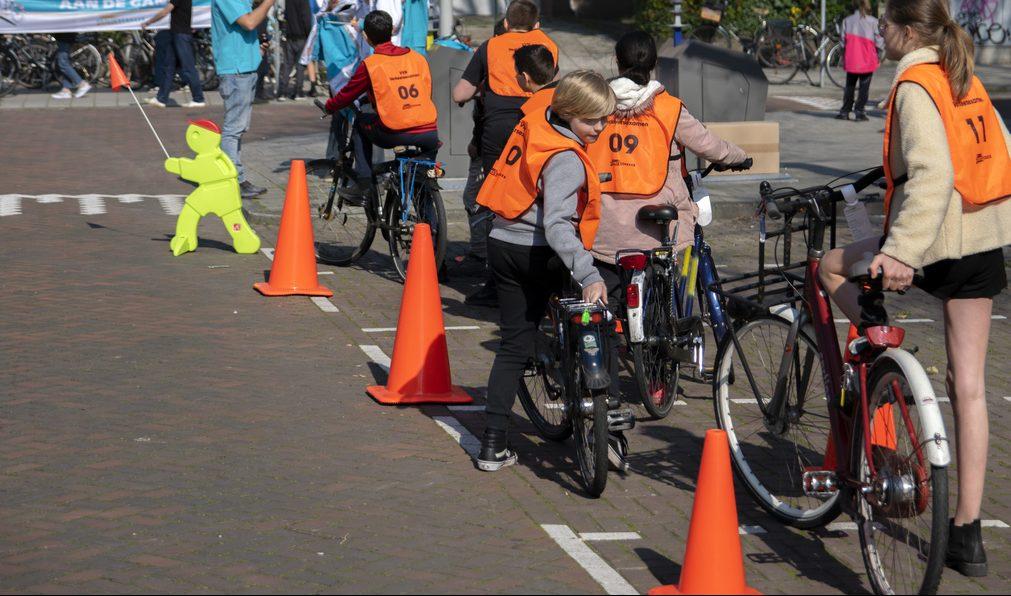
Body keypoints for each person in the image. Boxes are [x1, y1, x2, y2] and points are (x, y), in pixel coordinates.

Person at [819, 0, 1011, 578]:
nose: (877, 35)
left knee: (828, 267)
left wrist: (900, 250)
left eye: (883, 27)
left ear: (906, 31)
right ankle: (967, 535)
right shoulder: (962, 71)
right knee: (970, 387)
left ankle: (878, 354)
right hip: (983, 240)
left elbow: (933, 173)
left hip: (933, 242)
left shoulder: (913, 84)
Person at [586, 30, 748, 406]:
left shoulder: (597, 104)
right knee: (678, 263)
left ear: (616, 62)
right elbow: (709, 145)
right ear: (654, 64)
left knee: (606, 299)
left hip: (605, 223)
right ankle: (677, 326)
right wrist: (739, 156)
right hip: (658, 223)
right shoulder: (669, 107)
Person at [473, 70, 614, 471]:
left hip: (501, 241)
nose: (600, 128)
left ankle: (493, 444)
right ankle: (608, 427)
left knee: (514, 345)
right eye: (591, 121)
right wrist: (589, 274)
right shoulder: (567, 158)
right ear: (569, 113)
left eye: (604, 119)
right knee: (598, 309)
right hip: (539, 252)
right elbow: (556, 225)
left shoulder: (536, 121)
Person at [452, 0, 559, 306]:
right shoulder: (548, 45)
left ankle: (497, 281)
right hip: (539, 125)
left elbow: (460, 93)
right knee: (541, 195)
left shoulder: (491, 46)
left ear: (508, 24)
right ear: (536, 25)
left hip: (498, 132)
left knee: (496, 200)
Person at [324, 10, 439, 199]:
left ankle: (364, 184)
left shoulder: (371, 64)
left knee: (361, 125)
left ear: (366, 37)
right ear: (391, 31)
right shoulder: (417, 58)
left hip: (395, 132)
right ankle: (429, 217)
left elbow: (347, 94)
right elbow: (425, 92)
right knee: (422, 179)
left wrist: (330, 107)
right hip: (429, 131)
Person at [210, 0, 276, 199]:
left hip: (245, 68)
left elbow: (245, 31)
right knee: (233, 129)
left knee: (238, 128)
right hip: (236, 70)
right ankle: (233, 181)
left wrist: (258, 50)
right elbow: (248, 22)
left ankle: (236, 178)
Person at [142, 0, 207, 108]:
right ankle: (161, 99)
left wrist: (148, 22)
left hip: (181, 35)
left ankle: (198, 99)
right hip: (176, 34)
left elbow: (165, 11)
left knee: (188, 67)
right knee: (169, 66)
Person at [836, 0, 884, 121]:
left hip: (852, 58)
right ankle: (859, 112)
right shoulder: (873, 21)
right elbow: (879, 41)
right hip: (867, 59)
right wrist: (879, 55)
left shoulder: (847, 21)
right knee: (864, 87)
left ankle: (845, 111)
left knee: (850, 86)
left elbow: (842, 41)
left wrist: (843, 54)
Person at [277, 0, 315, 100]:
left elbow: (285, 16)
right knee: (300, 66)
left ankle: (282, 92)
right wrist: (309, 35)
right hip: (301, 36)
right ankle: (298, 92)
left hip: (290, 36)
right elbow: (306, 18)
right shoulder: (304, 2)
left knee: (287, 64)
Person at [50, 33, 91, 100]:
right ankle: (66, 90)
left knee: (63, 63)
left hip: (64, 37)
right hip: (65, 37)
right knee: (64, 63)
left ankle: (81, 84)